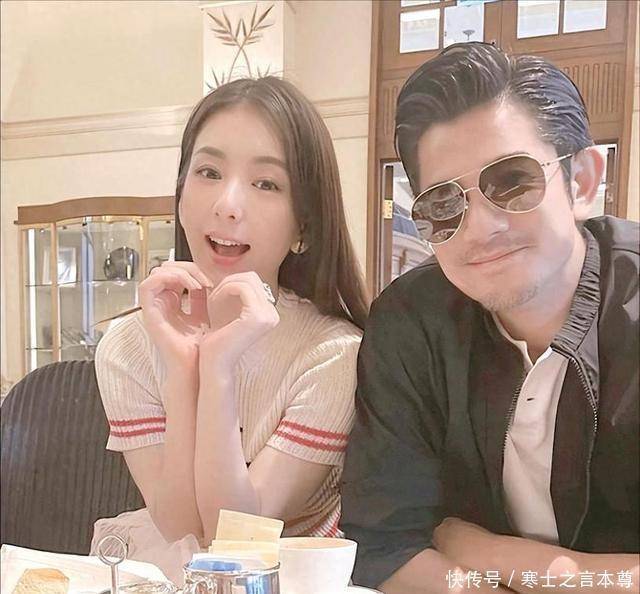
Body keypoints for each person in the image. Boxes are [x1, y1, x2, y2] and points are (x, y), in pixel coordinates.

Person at [341, 42, 639, 594]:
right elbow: (384, 545)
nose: (480, 229)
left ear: (581, 180)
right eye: (443, 206)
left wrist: (483, 549)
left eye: (513, 181)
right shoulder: (410, 322)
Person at [91, 76, 369, 581]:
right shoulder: (127, 345)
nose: (227, 204)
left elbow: (235, 537)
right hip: (176, 568)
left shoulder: (333, 352)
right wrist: (184, 368)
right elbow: (181, 528)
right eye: (209, 172)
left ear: (305, 228)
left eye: (266, 183)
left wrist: (217, 368)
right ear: (180, 194)